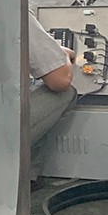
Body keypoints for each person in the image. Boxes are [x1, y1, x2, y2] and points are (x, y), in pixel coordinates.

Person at [29, 11, 77, 148]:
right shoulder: (14, 9)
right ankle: (27, 162)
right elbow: (61, 80)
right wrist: (63, 55)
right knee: (65, 93)